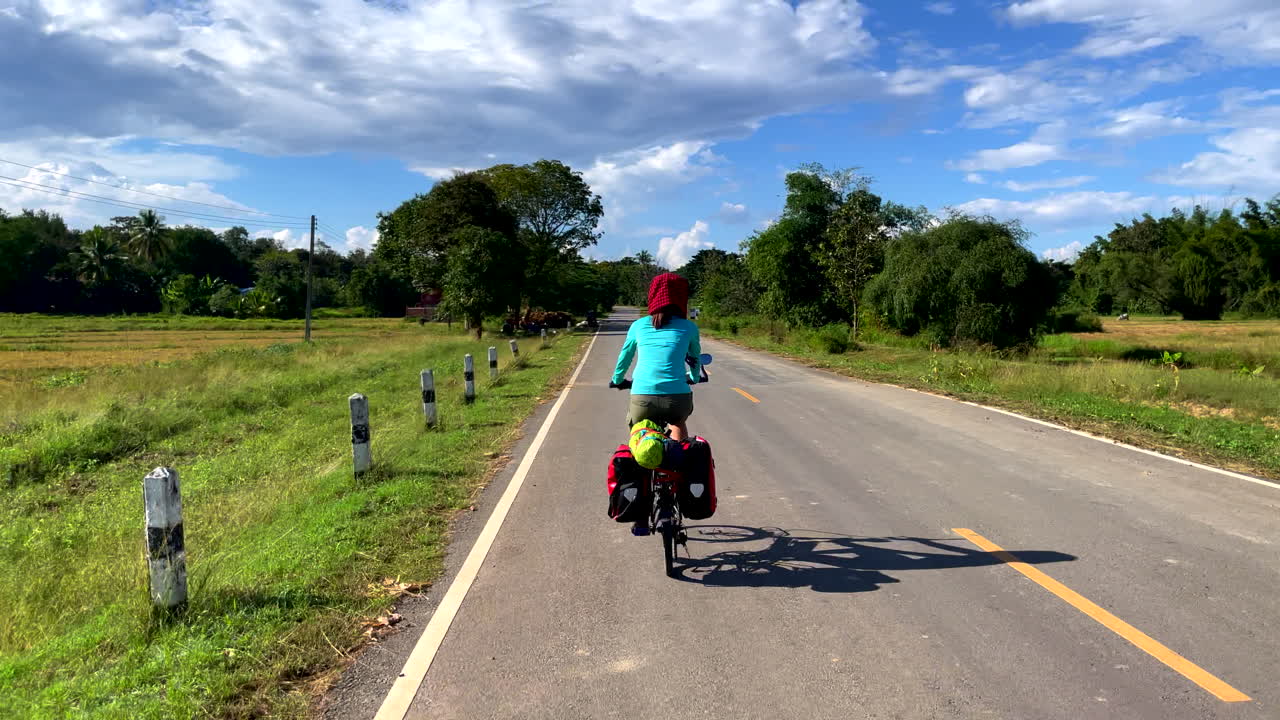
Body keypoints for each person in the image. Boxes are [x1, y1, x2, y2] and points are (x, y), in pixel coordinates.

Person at [610, 273, 701, 443]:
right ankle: (678, 462)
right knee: (678, 423)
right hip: (677, 398)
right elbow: (695, 357)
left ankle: (640, 463)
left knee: (640, 434)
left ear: (653, 296)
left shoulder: (638, 325)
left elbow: (625, 356)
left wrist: (617, 379)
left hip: (643, 397)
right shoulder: (689, 327)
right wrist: (695, 377)